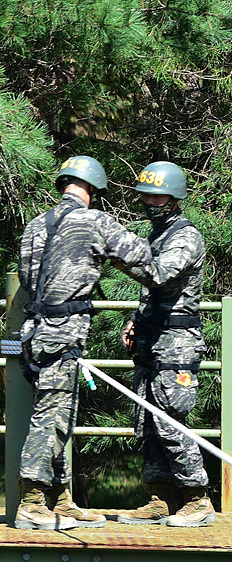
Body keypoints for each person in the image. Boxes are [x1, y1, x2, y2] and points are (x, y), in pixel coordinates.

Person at [15, 155, 151, 530]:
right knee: (51, 419)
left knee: (63, 413)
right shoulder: (94, 221)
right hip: (63, 334)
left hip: (37, 332)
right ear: (92, 189)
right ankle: (31, 503)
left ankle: (59, 500)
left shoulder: (34, 225)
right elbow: (139, 257)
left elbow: (28, 279)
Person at [117, 161, 214, 527]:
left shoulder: (185, 237)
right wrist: (135, 321)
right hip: (152, 342)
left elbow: (159, 275)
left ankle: (197, 498)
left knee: (171, 421)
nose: (148, 201)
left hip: (177, 346)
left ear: (174, 198)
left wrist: (114, 248)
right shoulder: (156, 236)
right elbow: (150, 294)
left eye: (156, 195)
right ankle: (160, 498)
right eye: (144, 195)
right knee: (145, 422)